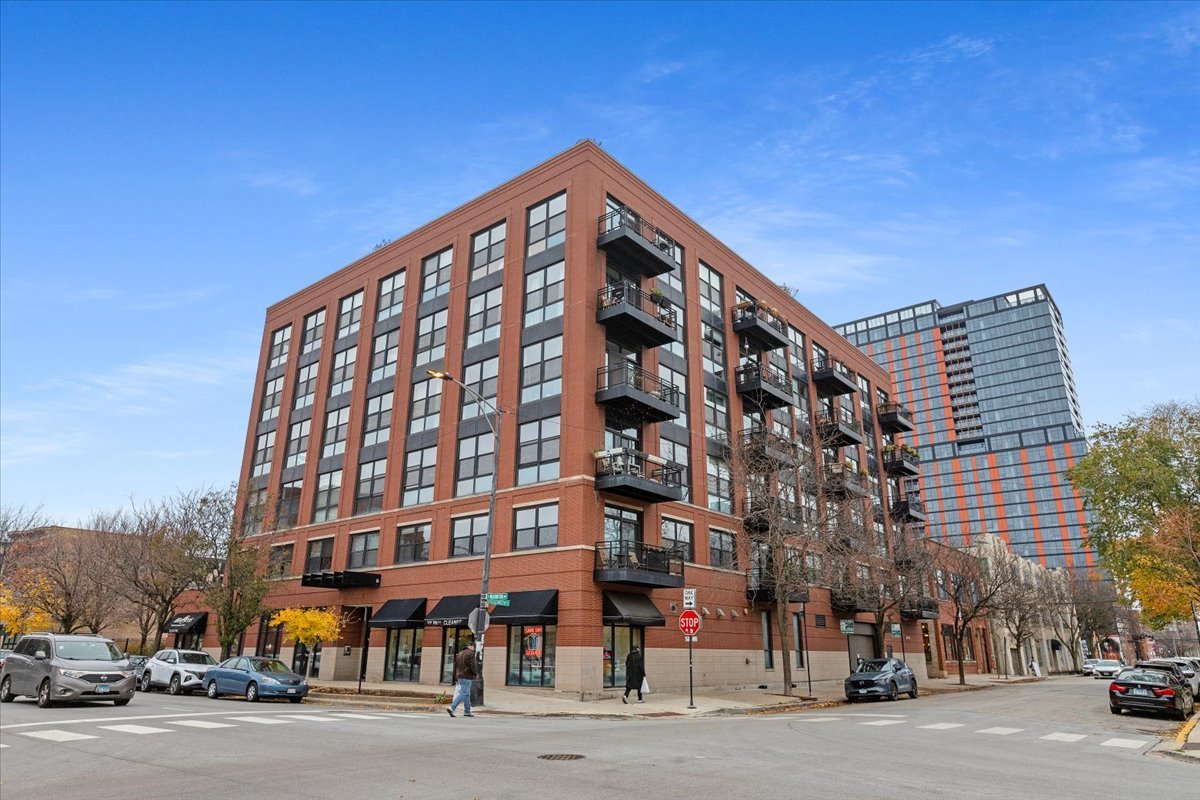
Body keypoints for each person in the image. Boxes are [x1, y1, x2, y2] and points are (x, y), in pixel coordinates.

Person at [447, 642, 477, 718]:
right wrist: (475, 674)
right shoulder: (471, 653)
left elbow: (455, 666)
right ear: (470, 646)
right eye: (474, 647)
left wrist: (455, 676)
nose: (474, 648)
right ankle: (452, 707)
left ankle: (467, 712)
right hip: (467, 676)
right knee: (464, 693)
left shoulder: (460, 654)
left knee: (467, 694)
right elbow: (473, 665)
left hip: (459, 676)